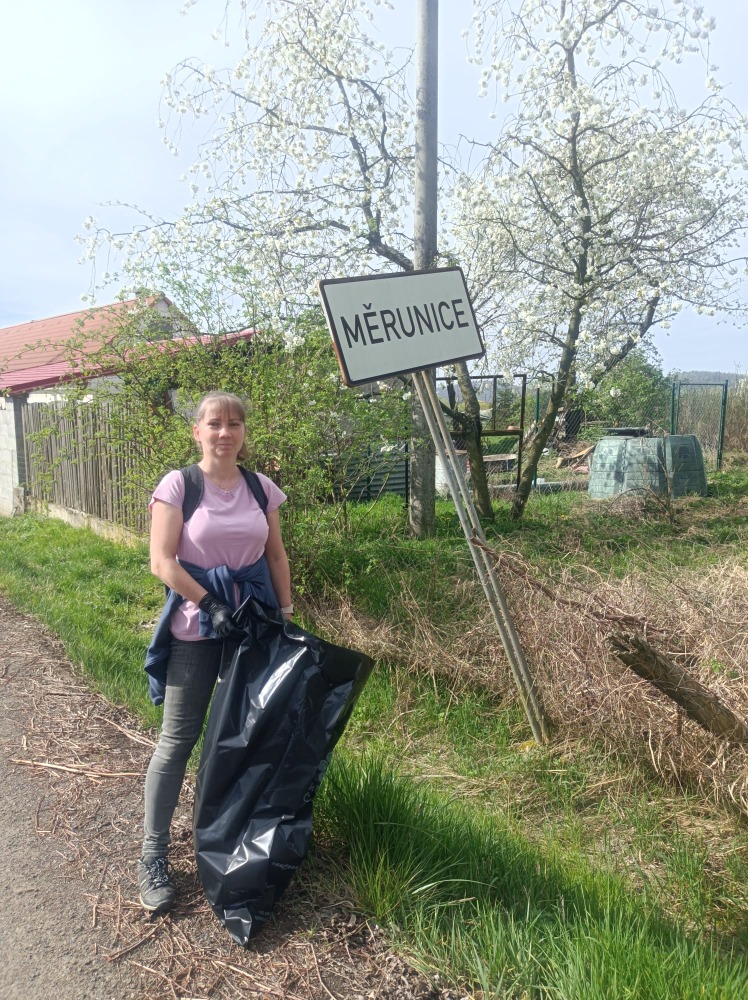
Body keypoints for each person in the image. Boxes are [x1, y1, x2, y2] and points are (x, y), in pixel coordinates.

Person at [138, 391, 293, 914]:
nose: (225, 433)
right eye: (214, 424)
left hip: (254, 629)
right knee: (177, 741)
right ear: (198, 432)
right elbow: (162, 561)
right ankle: (153, 855)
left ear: (244, 432)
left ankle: (223, 846)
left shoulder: (261, 488)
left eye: (234, 424)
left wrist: (284, 615)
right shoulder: (179, 485)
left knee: (237, 742)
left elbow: (275, 554)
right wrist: (211, 604)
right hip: (196, 629)